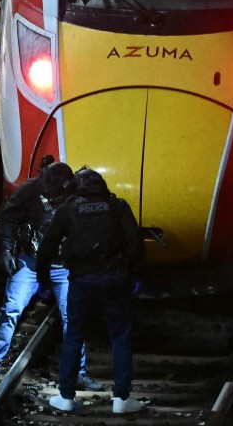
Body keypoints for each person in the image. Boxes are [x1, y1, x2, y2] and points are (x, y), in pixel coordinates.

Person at [0, 157, 102, 391]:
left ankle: (77, 372)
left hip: (64, 267)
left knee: (72, 318)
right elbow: (8, 219)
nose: (47, 194)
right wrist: (5, 249)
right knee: (11, 308)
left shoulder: (79, 197)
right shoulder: (31, 190)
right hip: (30, 262)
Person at [37, 168, 145, 414]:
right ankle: (121, 399)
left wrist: (43, 282)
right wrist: (136, 276)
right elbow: (134, 243)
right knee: (119, 337)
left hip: (81, 282)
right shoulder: (118, 206)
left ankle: (65, 396)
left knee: (74, 335)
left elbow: (47, 247)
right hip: (115, 279)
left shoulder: (68, 209)